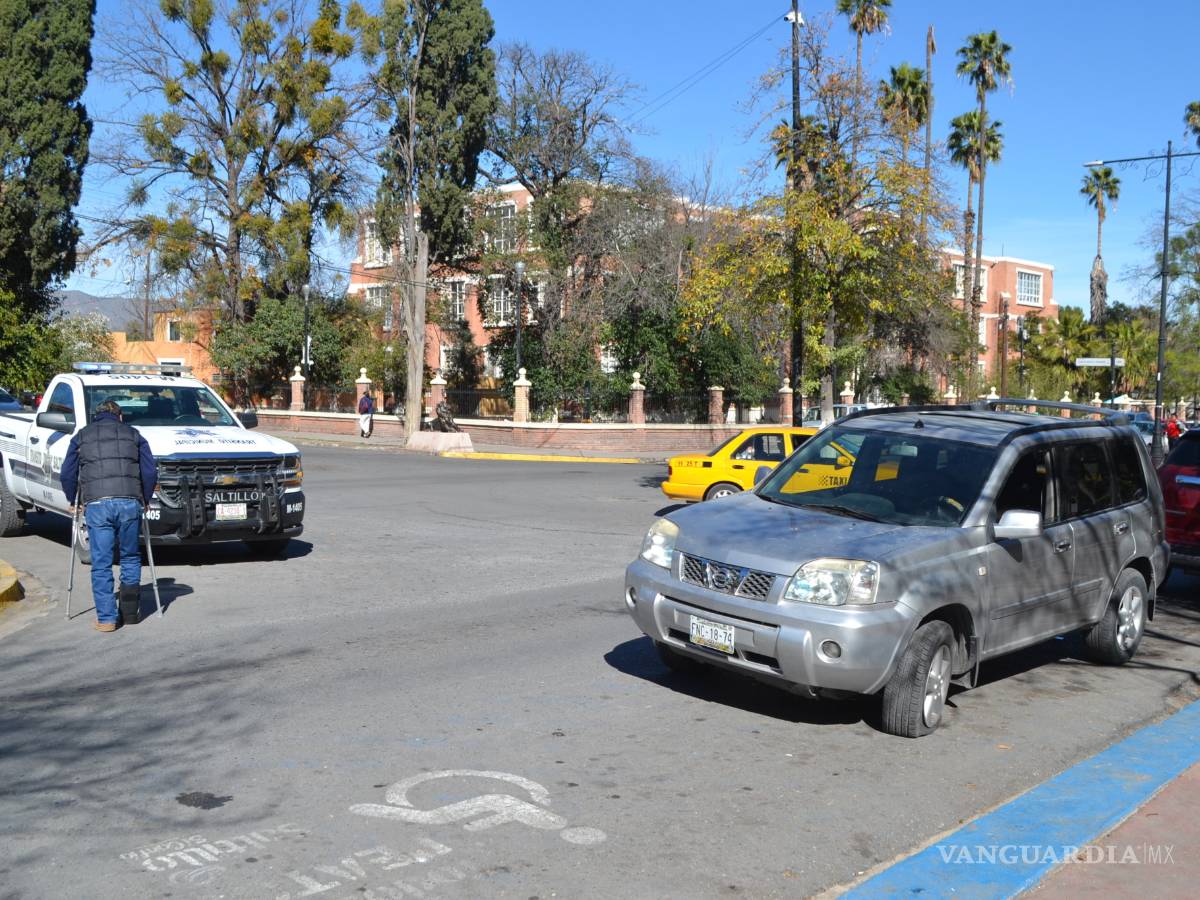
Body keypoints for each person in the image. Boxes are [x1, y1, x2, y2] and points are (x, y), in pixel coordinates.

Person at [60, 400, 157, 632]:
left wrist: (72, 499)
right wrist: (145, 498)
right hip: (129, 503)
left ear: (96, 416)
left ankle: (107, 619)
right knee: (130, 556)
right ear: (120, 416)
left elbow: (67, 473)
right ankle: (130, 613)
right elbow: (150, 471)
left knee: (101, 562)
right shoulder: (134, 435)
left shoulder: (82, 437)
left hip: (97, 504)